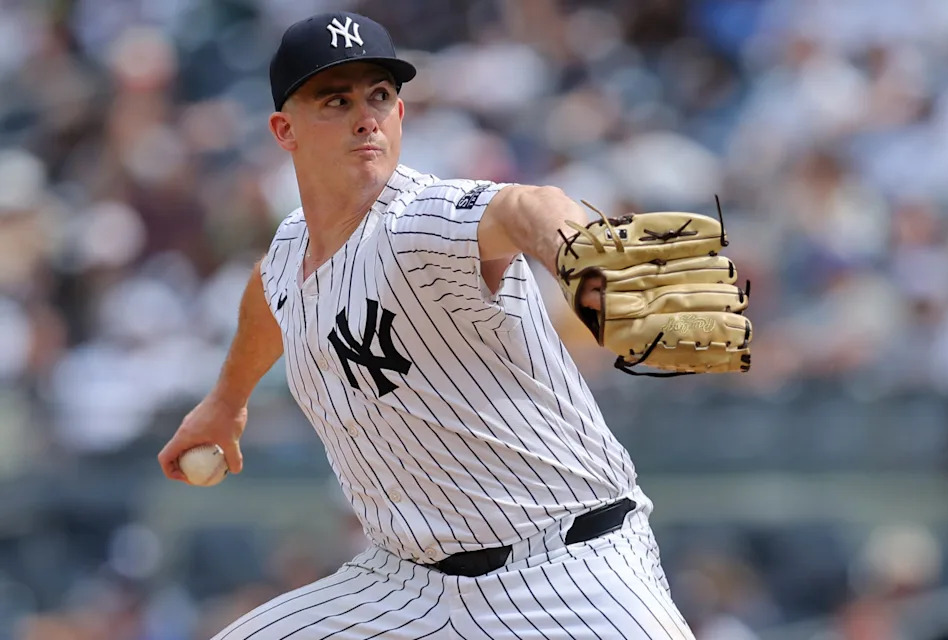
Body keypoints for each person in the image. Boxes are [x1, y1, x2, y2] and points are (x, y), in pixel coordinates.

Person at [159, 11, 695, 639]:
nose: (366, 116)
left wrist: (599, 269)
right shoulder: (290, 250)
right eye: (336, 100)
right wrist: (227, 402)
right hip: (406, 586)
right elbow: (271, 295)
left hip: (567, 570)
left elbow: (530, 208)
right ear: (285, 129)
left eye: (380, 96)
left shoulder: (419, 221)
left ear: (401, 114)